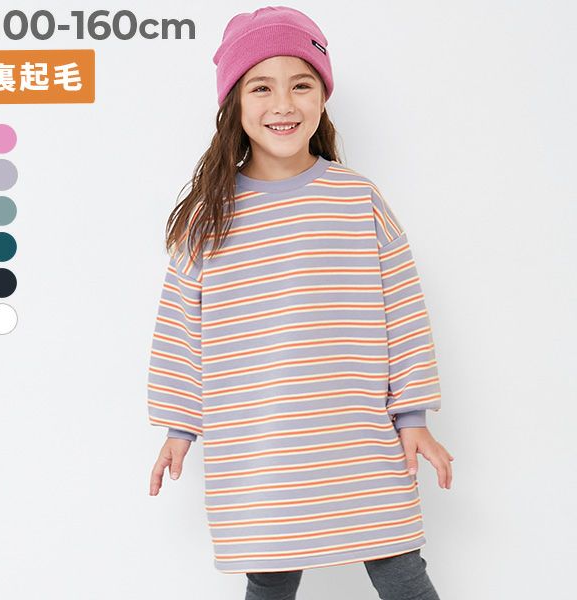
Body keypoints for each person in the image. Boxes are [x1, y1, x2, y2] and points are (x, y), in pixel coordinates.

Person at [146, 5, 454, 599]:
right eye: (262, 87)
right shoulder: (209, 218)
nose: (283, 104)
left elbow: (404, 310)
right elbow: (181, 326)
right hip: (260, 444)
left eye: (302, 85)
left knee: (400, 567)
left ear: (322, 97)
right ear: (234, 102)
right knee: (270, 573)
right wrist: (180, 426)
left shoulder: (357, 199)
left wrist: (412, 416)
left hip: (357, 436)